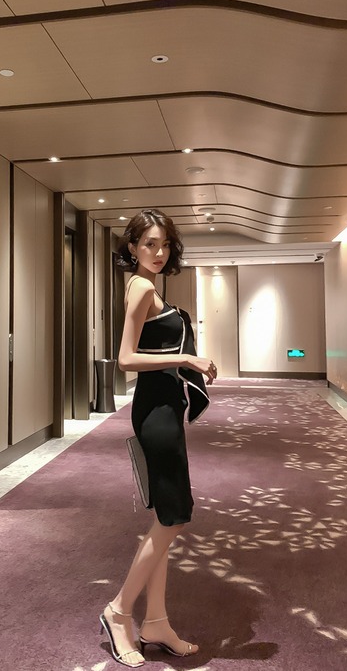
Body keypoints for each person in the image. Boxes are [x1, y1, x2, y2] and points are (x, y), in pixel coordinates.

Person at [99, 209, 217, 668]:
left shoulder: (149, 286)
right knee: (175, 515)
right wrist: (186, 359)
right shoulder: (142, 288)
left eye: (165, 244)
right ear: (132, 247)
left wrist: (183, 364)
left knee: (166, 516)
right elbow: (125, 359)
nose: (159, 251)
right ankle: (117, 611)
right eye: (149, 243)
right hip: (155, 413)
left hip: (165, 407)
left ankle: (156, 623)